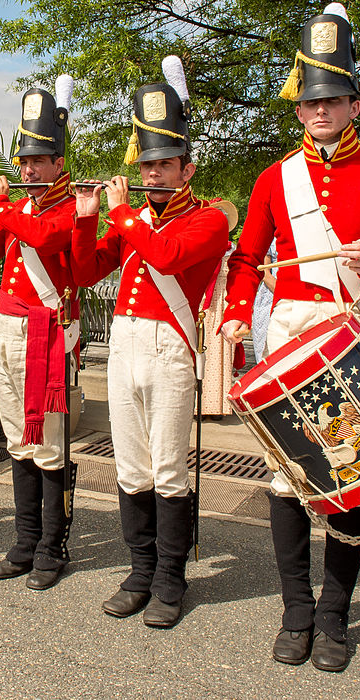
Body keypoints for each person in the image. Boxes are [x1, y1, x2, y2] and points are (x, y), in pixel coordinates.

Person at [220, 4, 360, 672]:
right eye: (311, 102)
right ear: (299, 109)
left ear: (353, 106)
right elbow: (247, 259)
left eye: (332, 100)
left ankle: (335, 616)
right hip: (290, 333)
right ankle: (296, 612)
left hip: (354, 333)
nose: (320, 110)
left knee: (355, 476)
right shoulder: (274, 178)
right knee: (289, 480)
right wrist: (235, 312)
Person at [71, 57, 228, 630]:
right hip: (125, 343)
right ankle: (140, 571)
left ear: (187, 169)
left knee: (167, 468)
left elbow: (165, 256)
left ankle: (170, 578)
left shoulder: (209, 219)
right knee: (131, 465)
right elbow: (84, 272)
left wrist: (120, 213)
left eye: (165, 165)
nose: (154, 175)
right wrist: (87, 218)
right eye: (148, 165)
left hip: (169, 348)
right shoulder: (130, 218)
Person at [0, 83, 79, 591]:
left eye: (37, 161)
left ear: (58, 163)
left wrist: (0, 205)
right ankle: (25, 541)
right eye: (23, 161)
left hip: (46, 332)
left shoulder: (71, 205)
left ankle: (53, 546)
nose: (28, 170)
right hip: (8, 328)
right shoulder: (19, 207)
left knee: (49, 443)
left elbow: (45, 237)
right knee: (17, 439)